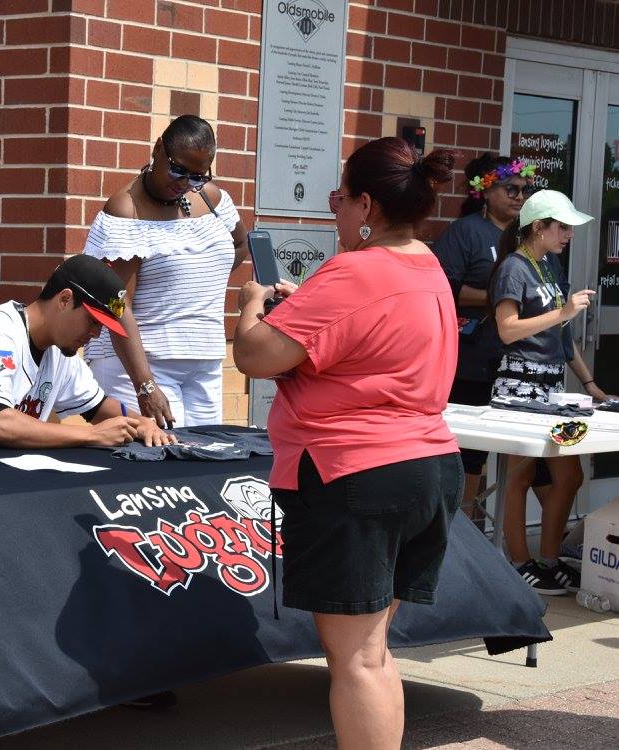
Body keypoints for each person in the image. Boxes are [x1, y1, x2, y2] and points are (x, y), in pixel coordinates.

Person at [233, 137, 463, 749]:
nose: (333, 211)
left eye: (339, 199)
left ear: (366, 205)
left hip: (355, 472)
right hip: (426, 464)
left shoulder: (355, 270)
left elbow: (255, 356)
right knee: (373, 651)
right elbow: (358, 347)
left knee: (357, 660)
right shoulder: (428, 263)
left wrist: (252, 307)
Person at [82, 114, 249, 429]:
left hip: (204, 363)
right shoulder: (126, 210)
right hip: (139, 365)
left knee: (203, 467)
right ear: (158, 148)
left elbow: (240, 244)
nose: (185, 183)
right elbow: (116, 303)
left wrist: (194, 283)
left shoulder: (210, 198)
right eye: (178, 169)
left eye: (198, 176)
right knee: (151, 469)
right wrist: (144, 385)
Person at [0, 255, 174, 451]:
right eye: (93, 321)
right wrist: (90, 436)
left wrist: (141, 424)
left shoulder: (60, 349)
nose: (96, 333)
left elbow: (98, 407)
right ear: (65, 299)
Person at [488, 188, 608, 595]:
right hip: (519, 385)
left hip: (553, 388)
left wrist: (590, 382)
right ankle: (520, 561)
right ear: (538, 228)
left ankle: (550, 558)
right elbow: (507, 329)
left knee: (569, 472)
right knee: (518, 475)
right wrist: (563, 312)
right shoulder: (513, 267)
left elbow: (563, 333)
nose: (568, 235)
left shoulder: (550, 266)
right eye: (563, 227)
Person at [434, 154, 548, 528]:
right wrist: (501, 298)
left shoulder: (528, 235)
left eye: (524, 190)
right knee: (469, 457)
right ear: (485, 191)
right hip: (473, 361)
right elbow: (443, 288)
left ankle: (538, 549)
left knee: (532, 461)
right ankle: (463, 536)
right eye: (510, 189)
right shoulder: (466, 232)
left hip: (520, 365)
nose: (519, 196)